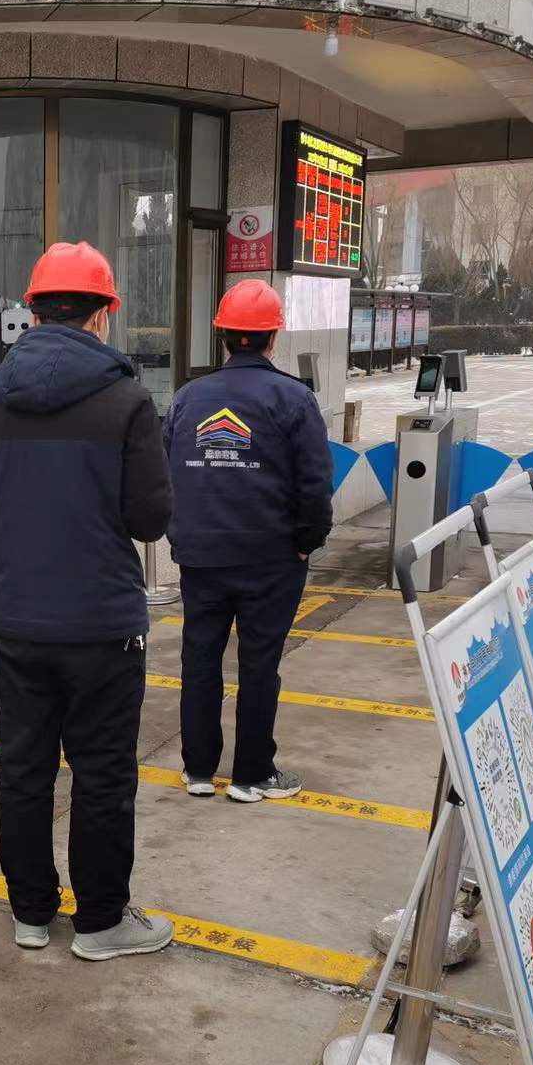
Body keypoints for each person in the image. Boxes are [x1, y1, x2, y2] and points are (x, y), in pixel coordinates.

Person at [0, 241, 175, 961]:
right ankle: (101, 923)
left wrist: (3, 595)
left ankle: (29, 913)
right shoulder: (128, 400)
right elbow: (150, 519)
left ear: (34, 310)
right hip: (103, 626)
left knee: (24, 771)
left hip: (21, 624)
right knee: (102, 774)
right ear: (103, 314)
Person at [162, 278, 333, 804]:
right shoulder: (294, 398)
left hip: (201, 556)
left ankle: (197, 769)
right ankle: (252, 775)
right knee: (259, 664)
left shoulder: (187, 398)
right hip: (271, 557)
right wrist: (307, 540)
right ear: (272, 337)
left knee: (200, 660)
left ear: (222, 336)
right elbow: (314, 483)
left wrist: (181, 533)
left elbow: (166, 473)